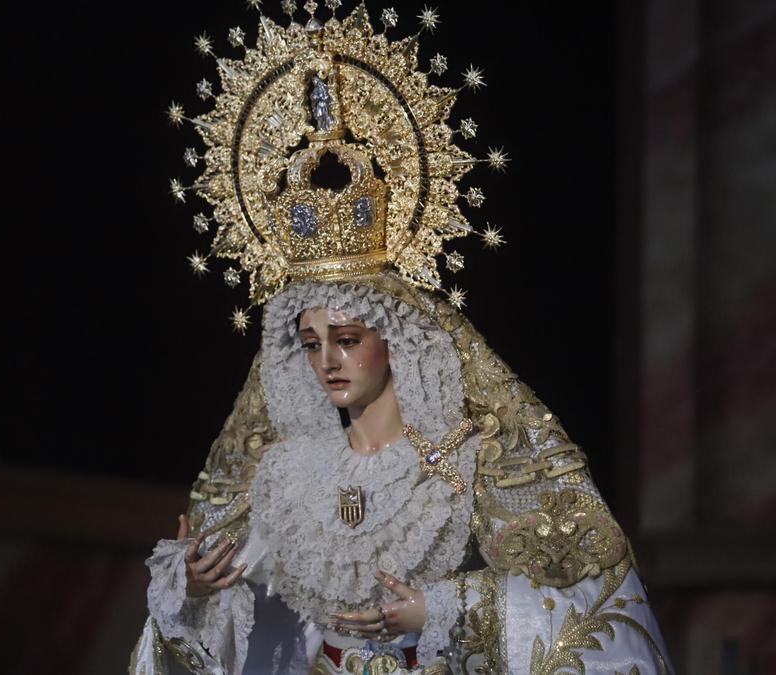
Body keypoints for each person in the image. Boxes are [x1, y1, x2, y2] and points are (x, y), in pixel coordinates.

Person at [133, 5, 671, 674]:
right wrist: (195, 588)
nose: (328, 359)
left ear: (398, 336)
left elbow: (585, 601)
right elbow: (225, 629)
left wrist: (448, 609)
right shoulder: (285, 476)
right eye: (310, 341)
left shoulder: (465, 464)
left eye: (348, 336)